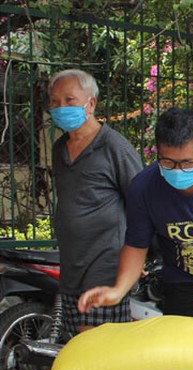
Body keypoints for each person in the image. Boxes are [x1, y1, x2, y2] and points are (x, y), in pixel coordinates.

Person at [78, 107, 193, 329]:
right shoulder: (144, 187)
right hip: (186, 284)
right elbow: (136, 245)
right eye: (167, 162)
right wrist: (118, 290)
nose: (177, 170)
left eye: (187, 163)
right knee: (191, 353)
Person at [48, 69, 142, 334]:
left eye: (69, 100)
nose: (60, 107)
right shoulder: (59, 149)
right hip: (71, 265)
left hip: (106, 265)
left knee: (99, 348)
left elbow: (140, 202)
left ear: (91, 103)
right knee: (76, 344)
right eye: (55, 102)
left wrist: (141, 256)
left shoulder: (114, 147)